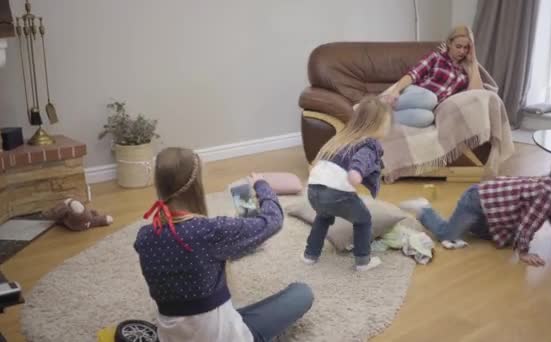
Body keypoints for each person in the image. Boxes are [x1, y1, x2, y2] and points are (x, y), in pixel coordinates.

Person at [134, 147, 313, 342]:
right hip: (224, 337)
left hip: (172, 337)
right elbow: (273, 220)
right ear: (196, 184)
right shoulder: (211, 231)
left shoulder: (144, 238)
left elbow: (193, 259)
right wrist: (262, 184)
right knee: (302, 293)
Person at [401, 155, 551, 267]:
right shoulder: (546, 195)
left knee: (505, 240)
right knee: (446, 234)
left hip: (491, 208)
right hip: (476, 201)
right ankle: (424, 208)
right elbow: (528, 225)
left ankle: (470, 226)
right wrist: (524, 253)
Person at [302, 96, 392, 271]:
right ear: (377, 124)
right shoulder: (369, 144)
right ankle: (363, 261)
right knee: (364, 219)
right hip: (337, 194)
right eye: (387, 123)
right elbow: (361, 160)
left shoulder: (342, 138)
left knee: (323, 217)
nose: (389, 128)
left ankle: (310, 255)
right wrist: (356, 173)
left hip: (313, 190)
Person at [381, 25, 484, 128]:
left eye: (466, 48)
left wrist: (473, 61)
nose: (462, 51)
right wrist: (396, 90)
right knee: (430, 98)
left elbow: (476, 93)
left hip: (431, 107)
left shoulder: (465, 72)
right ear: (449, 44)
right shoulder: (436, 57)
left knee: (428, 118)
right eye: (458, 46)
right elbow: (413, 74)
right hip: (417, 93)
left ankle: (382, 119)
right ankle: (380, 106)